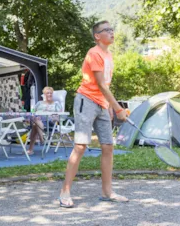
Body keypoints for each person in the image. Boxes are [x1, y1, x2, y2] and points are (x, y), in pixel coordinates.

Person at [59, 20, 129, 208]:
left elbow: (106, 85)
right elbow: (99, 84)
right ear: (97, 36)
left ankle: (107, 192)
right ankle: (64, 191)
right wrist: (118, 108)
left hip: (101, 104)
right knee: (80, 146)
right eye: (107, 30)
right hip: (86, 101)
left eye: (112, 29)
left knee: (108, 147)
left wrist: (107, 106)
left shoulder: (109, 55)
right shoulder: (94, 53)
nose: (112, 32)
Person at [27, 86, 62, 155]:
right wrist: (32, 116)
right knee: (36, 121)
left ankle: (32, 148)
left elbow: (60, 116)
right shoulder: (39, 103)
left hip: (49, 122)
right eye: (47, 93)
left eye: (50, 93)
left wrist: (54, 118)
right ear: (44, 95)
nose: (49, 94)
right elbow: (33, 111)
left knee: (35, 125)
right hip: (37, 119)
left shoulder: (56, 104)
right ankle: (42, 138)